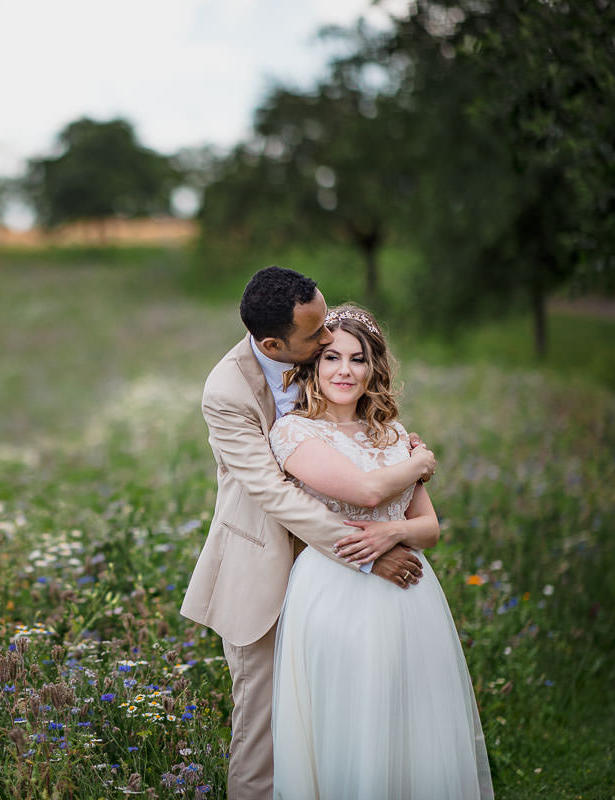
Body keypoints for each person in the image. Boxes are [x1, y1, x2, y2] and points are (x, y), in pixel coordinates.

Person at [180, 266, 434, 798]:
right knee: (266, 732)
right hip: (268, 570)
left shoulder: (326, 361)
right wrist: (367, 550)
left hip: (341, 583)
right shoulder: (227, 392)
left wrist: (403, 461)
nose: (329, 339)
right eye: (317, 336)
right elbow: (271, 492)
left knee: (341, 720)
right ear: (274, 344)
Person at [269, 303, 492, 798]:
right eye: (331, 358)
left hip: (409, 594)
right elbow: (366, 493)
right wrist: (420, 463)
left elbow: (429, 528)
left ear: (374, 369)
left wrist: (393, 534)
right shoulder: (294, 432)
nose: (344, 370)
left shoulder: (391, 435)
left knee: (411, 714)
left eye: (358, 358)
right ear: (313, 366)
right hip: (335, 586)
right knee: (350, 713)